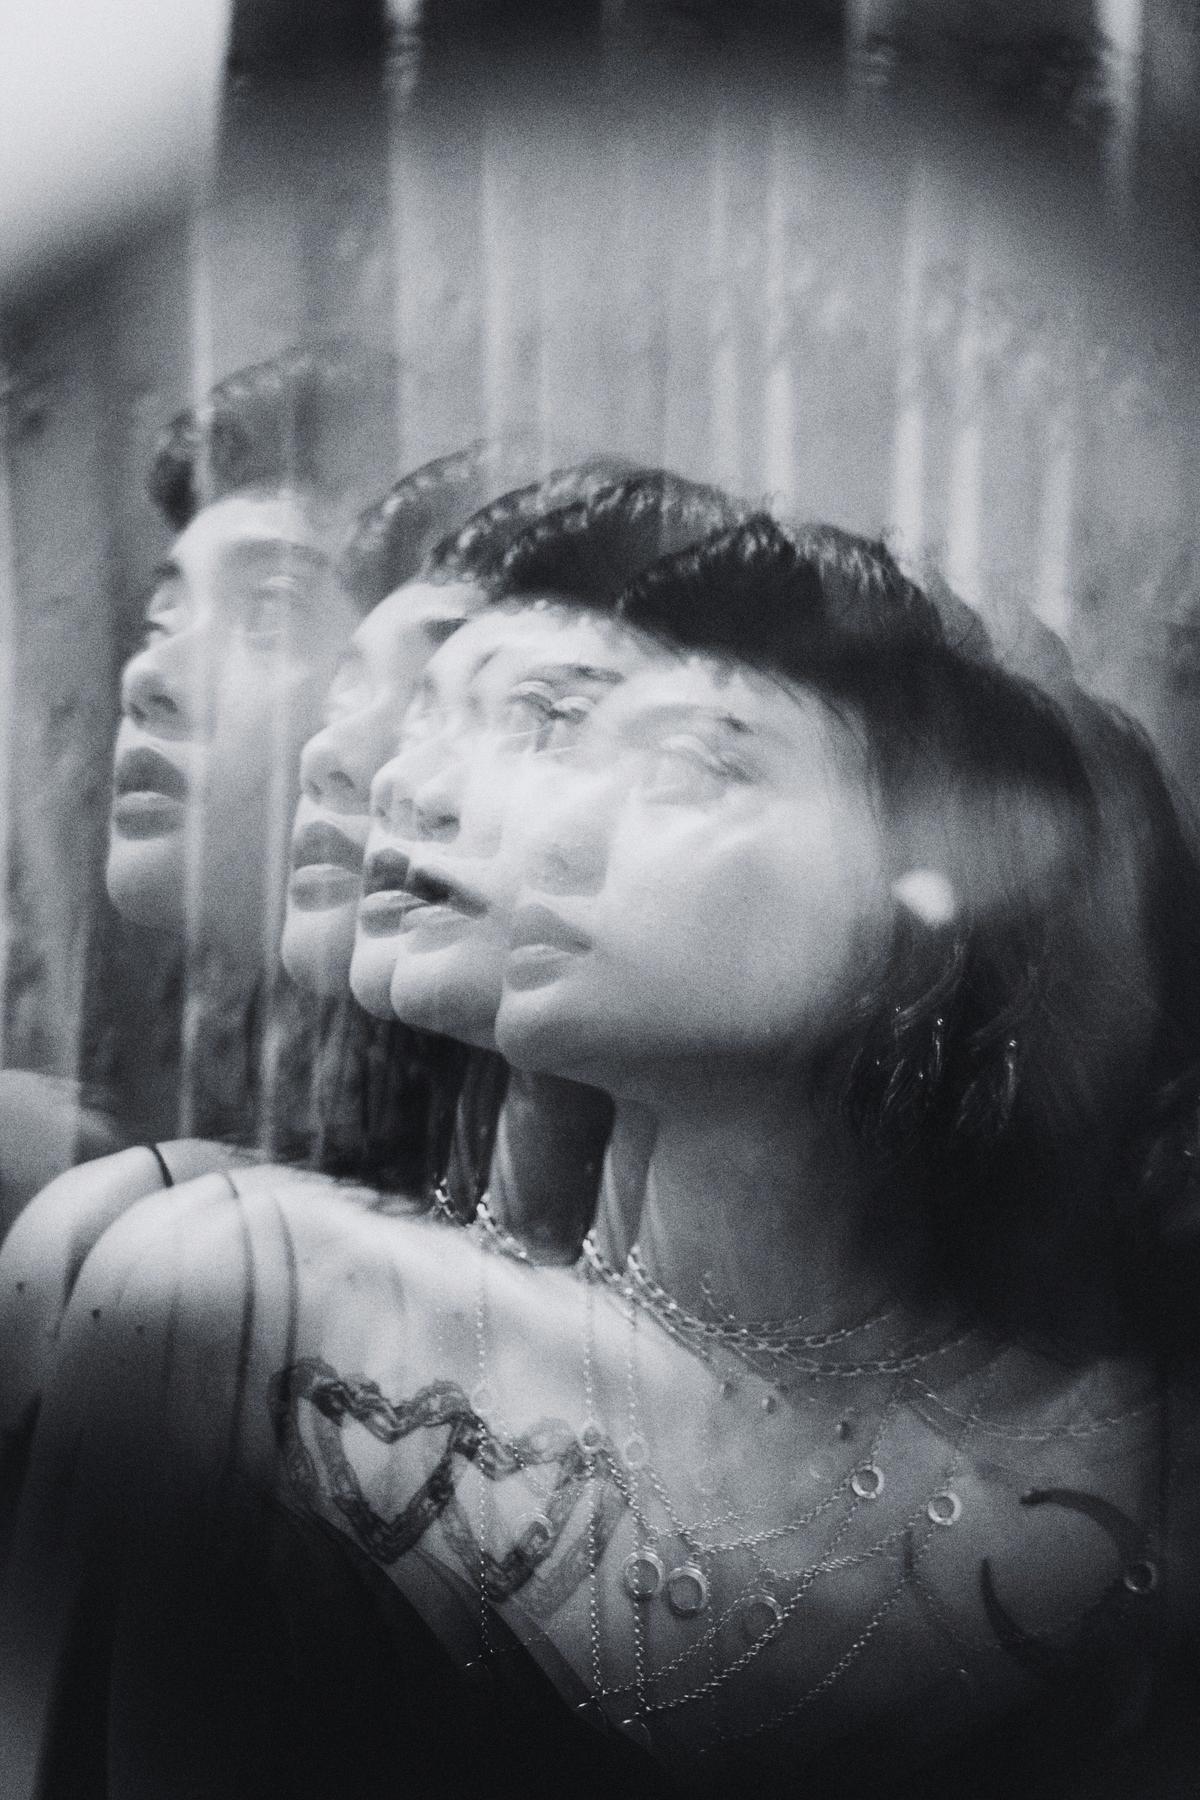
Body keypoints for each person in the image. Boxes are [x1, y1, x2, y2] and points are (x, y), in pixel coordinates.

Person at [9, 514, 1197, 1798]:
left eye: (688, 767)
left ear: (924, 911)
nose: (550, 829)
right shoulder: (237, 1293)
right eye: (573, 750)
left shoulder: (1123, 1459)